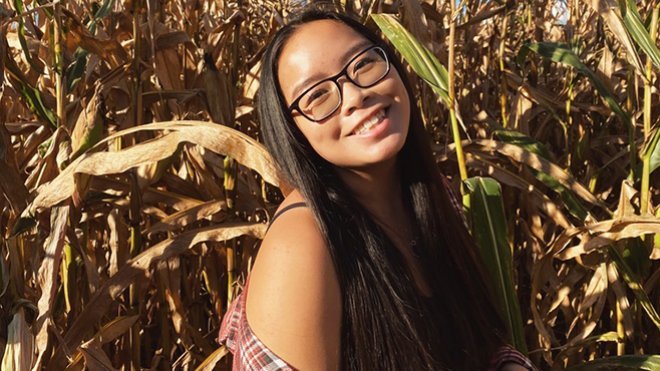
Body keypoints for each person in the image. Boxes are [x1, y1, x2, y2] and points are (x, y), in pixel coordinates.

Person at [219, 7, 536, 371]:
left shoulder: (432, 199)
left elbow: (480, 346)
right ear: (294, 132)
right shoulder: (305, 244)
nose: (355, 95)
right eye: (317, 95)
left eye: (363, 64)